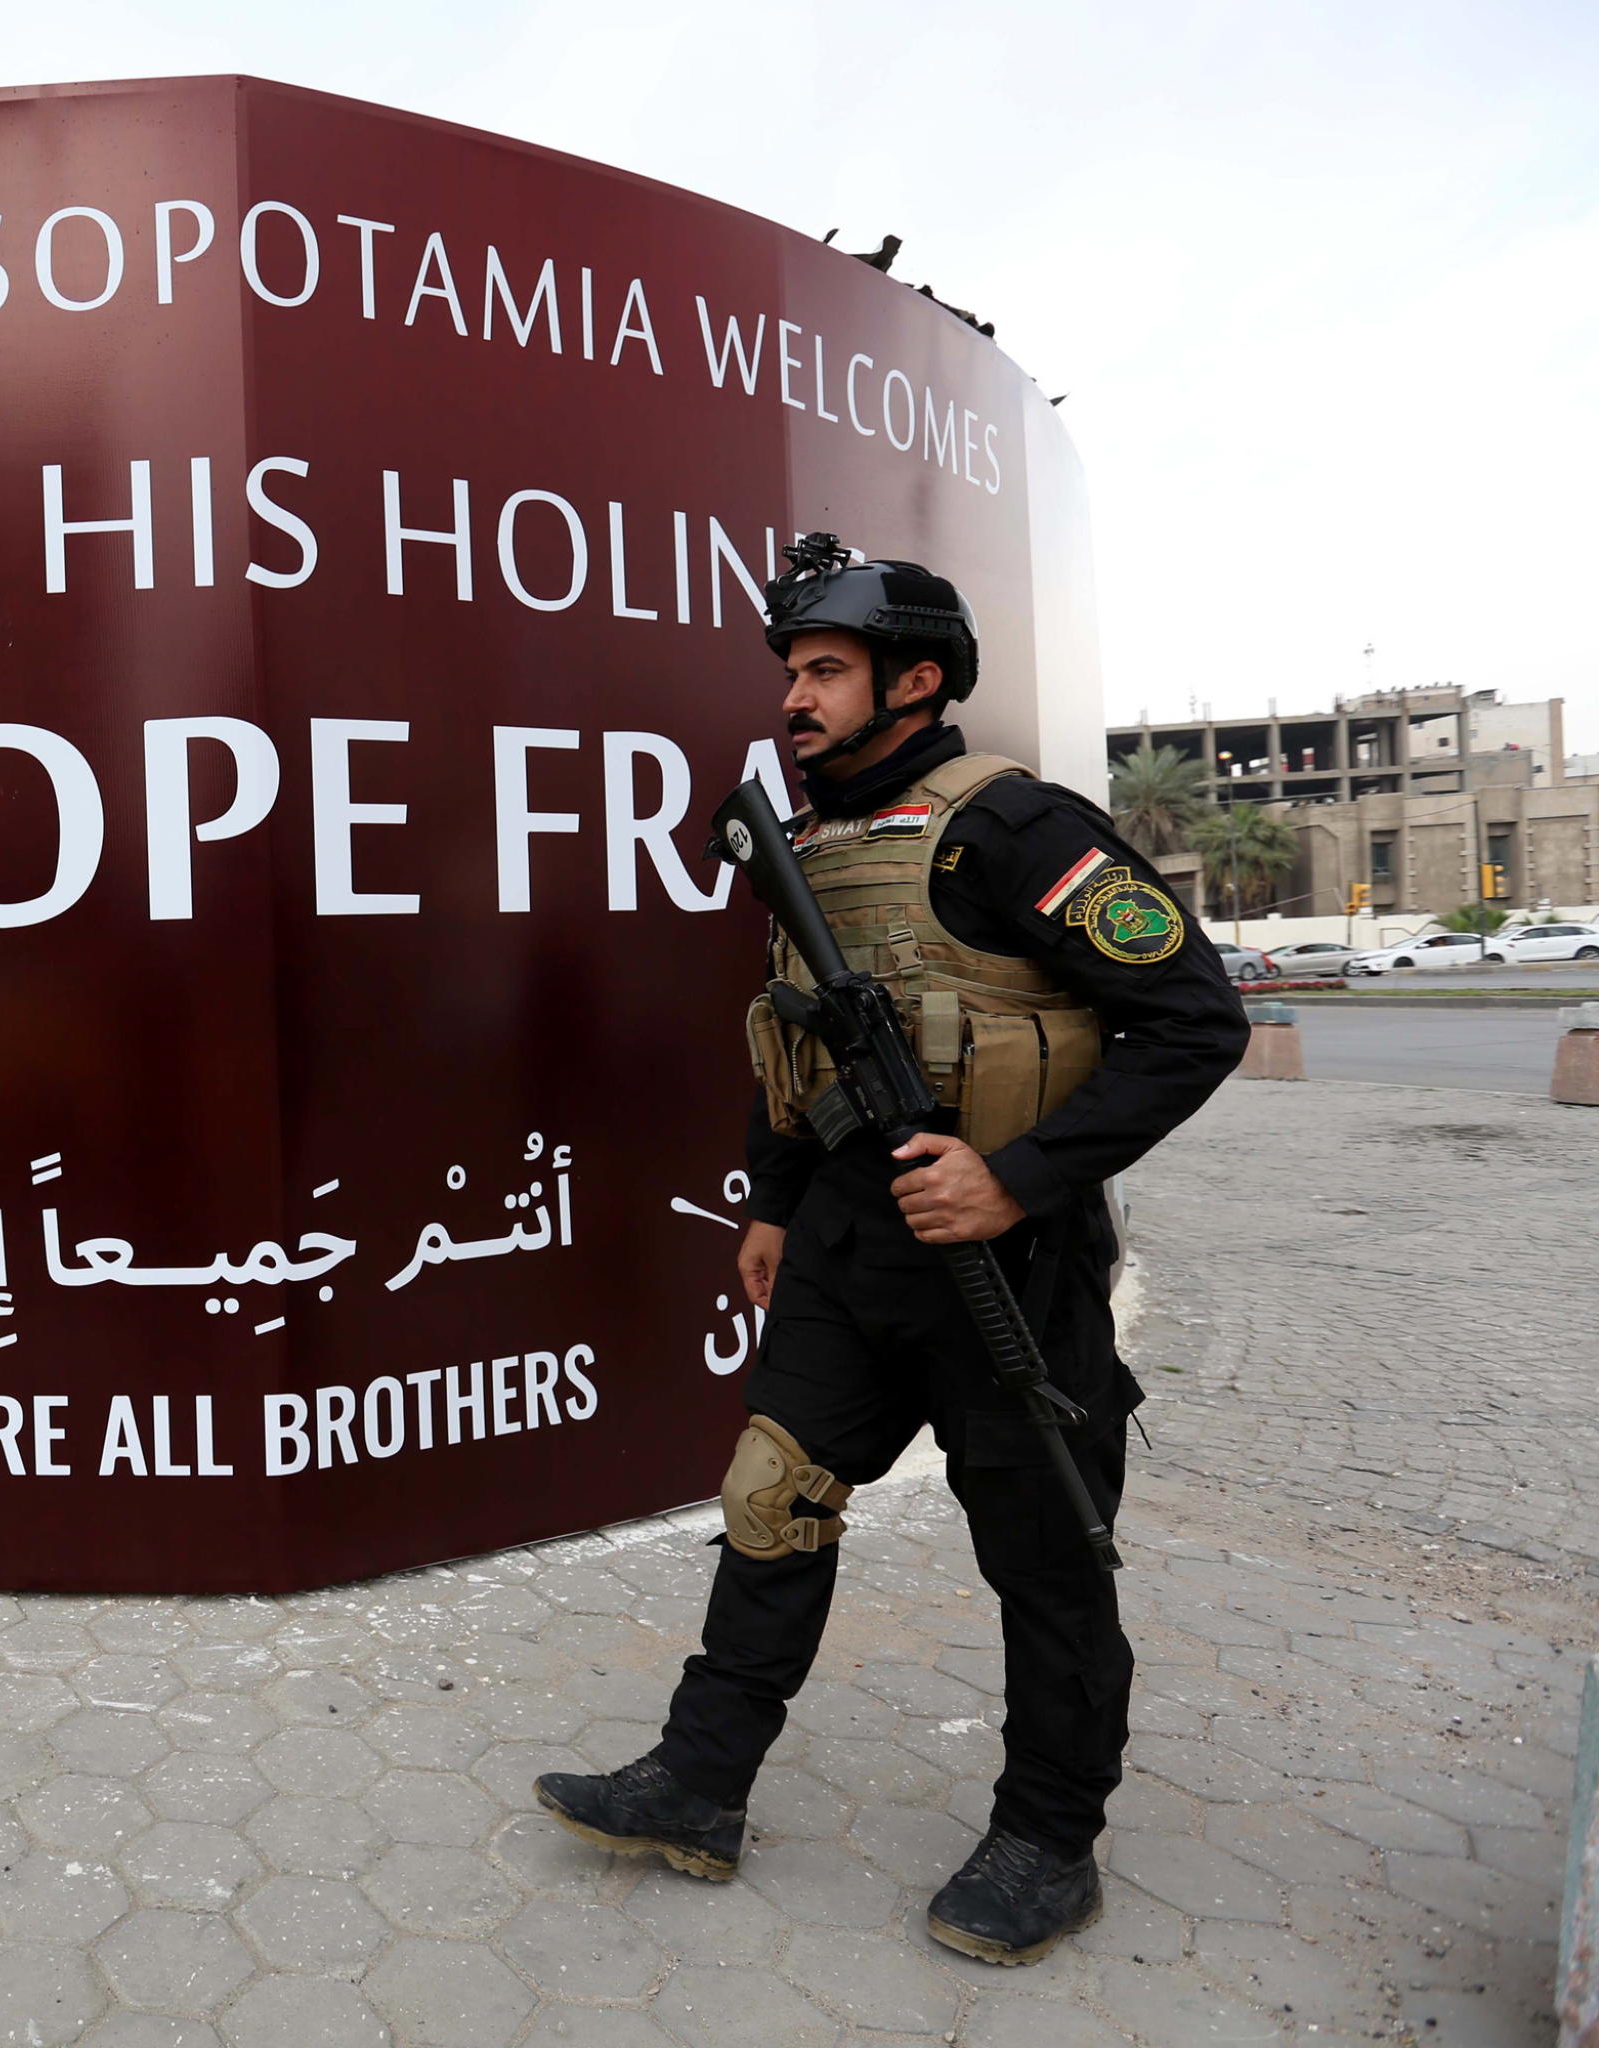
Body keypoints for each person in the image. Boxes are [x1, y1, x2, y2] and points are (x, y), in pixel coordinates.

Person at [532, 536, 1248, 1963]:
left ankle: (1051, 1840)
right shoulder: (809, 846)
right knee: (771, 1498)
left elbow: (1195, 1019)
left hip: (1009, 1263)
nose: (794, 698)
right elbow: (799, 1040)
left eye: (825, 671)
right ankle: (699, 1784)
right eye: (791, 671)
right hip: (852, 1247)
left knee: (1044, 1553)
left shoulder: (1017, 829)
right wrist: (775, 1201)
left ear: (914, 682)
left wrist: (1020, 1181)